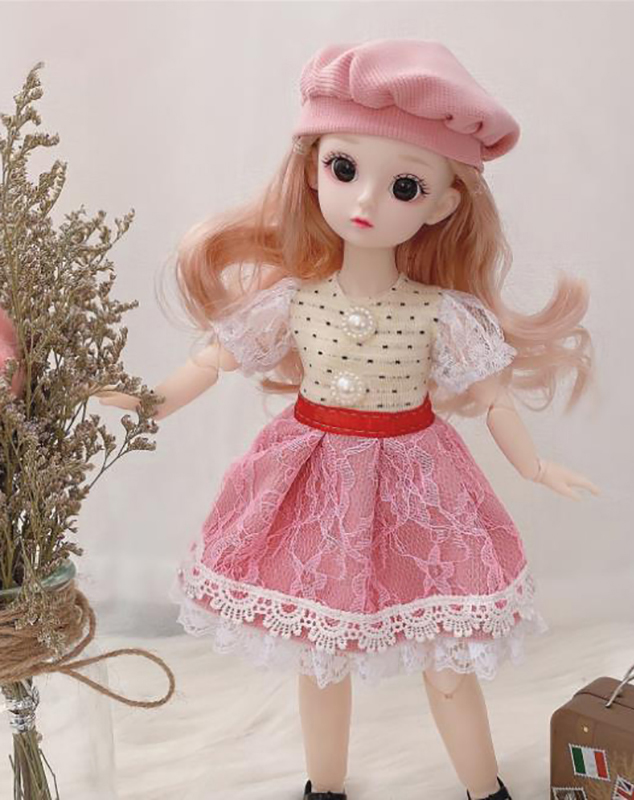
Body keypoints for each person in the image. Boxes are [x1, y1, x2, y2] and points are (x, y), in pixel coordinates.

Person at [95, 38, 600, 800]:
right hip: (315, 487)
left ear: (443, 204)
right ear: (312, 168)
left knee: (445, 659)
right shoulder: (293, 302)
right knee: (319, 657)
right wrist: (143, 403)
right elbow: (210, 363)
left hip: (417, 487)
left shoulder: (441, 313)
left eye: (404, 185)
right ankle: (323, 787)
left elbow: (494, 398)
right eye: (343, 168)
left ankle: (485, 789)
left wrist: (534, 466)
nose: (365, 201)